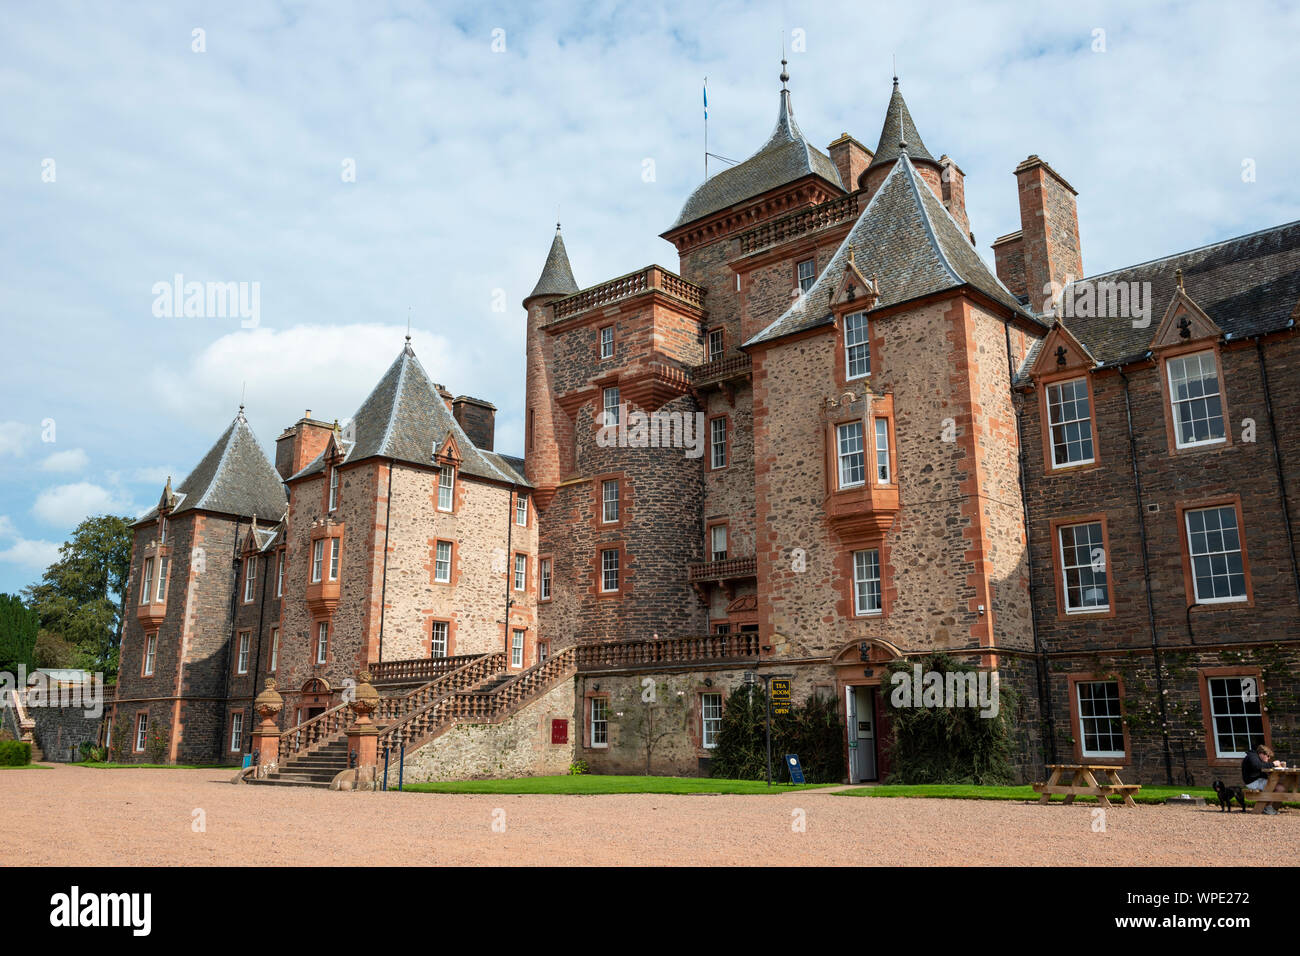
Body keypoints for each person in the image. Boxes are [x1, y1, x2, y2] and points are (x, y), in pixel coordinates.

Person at [1242, 743, 1284, 815]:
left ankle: (1268, 807)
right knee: (1279, 788)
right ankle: (1268, 808)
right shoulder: (1252, 756)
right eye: (1268, 756)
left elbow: (1261, 767)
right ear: (1262, 754)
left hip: (1256, 780)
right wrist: (1273, 764)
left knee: (1280, 787)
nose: (1268, 758)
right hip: (1252, 782)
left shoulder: (1256, 757)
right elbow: (1257, 766)